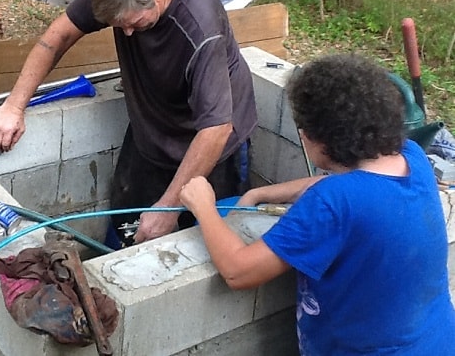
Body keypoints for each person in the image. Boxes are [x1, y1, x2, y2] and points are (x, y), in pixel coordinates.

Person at [179, 53, 455, 355]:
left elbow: (238, 272)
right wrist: (260, 194)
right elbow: (341, 184)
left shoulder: (333, 203)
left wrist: (203, 206)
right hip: (436, 340)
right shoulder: (410, 156)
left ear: (320, 139)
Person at [0, 0, 257, 245]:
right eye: (119, 25)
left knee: (205, 242)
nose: (128, 34)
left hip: (214, 144)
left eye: (136, 24)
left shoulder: (200, 28)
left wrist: (168, 208)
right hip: (153, 131)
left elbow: (216, 128)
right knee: (125, 230)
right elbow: (58, 36)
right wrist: (13, 106)